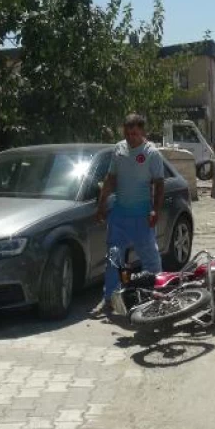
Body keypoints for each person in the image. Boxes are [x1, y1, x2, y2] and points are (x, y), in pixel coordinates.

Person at [91, 113, 165, 316]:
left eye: (134, 133)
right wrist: (101, 205)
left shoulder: (152, 153)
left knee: (150, 259)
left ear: (142, 132)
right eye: (127, 133)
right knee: (114, 258)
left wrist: (155, 210)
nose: (130, 137)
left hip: (142, 216)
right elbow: (111, 178)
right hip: (119, 216)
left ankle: (158, 294)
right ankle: (110, 299)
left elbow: (159, 184)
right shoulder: (119, 149)